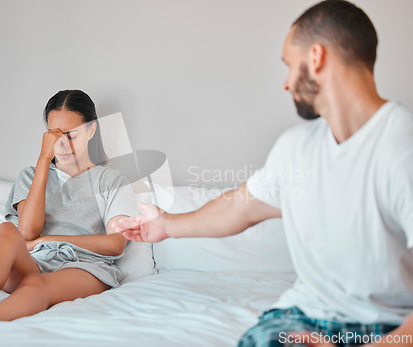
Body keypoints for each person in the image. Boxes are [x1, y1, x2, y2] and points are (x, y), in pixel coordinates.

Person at [113, 1, 413, 346]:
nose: (286, 83)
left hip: (389, 328)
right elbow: (238, 208)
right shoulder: (295, 147)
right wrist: (166, 225)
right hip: (303, 315)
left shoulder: (401, 146)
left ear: (316, 57)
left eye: (289, 65)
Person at [0, 89, 139, 322]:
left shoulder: (112, 181)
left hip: (85, 267)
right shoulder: (29, 176)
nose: (62, 145)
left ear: (91, 130)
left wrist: (48, 240)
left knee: (35, 283)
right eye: (54, 135)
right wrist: (43, 160)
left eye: (71, 135)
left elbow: (116, 244)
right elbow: (28, 232)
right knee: (5, 231)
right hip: (34, 261)